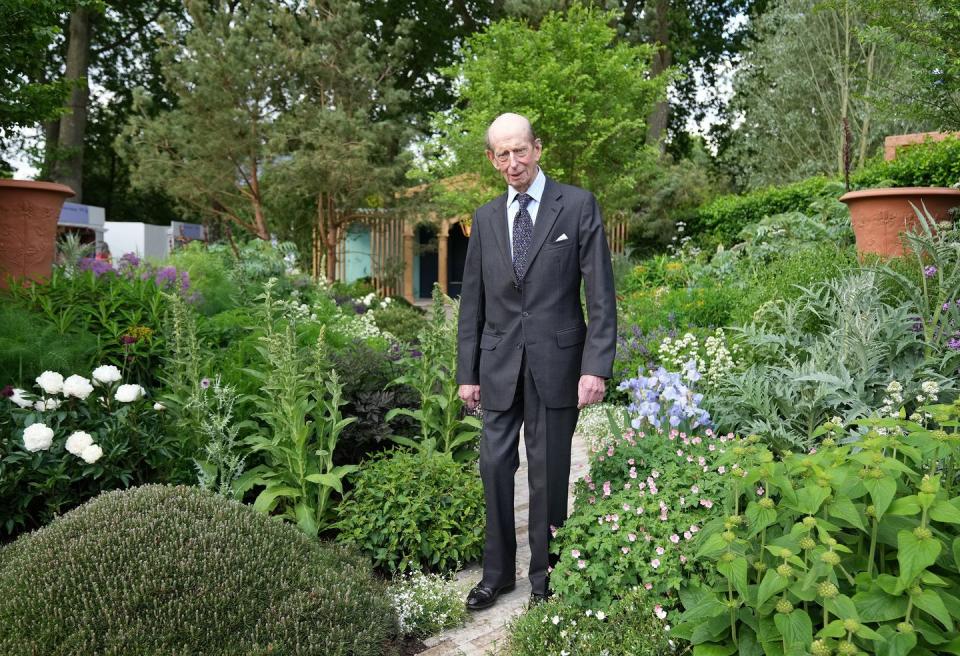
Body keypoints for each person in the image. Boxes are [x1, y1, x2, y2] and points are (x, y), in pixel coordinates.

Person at [456, 113, 617, 610]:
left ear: (537, 148)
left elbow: (601, 294)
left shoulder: (577, 205)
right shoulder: (483, 219)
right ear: (491, 159)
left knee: (549, 473)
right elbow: (474, 304)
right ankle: (498, 574)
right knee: (494, 468)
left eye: (520, 150)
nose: (512, 162)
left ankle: (547, 578)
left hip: (558, 364)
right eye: (502, 154)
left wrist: (596, 366)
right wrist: (467, 374)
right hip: (498, 364)